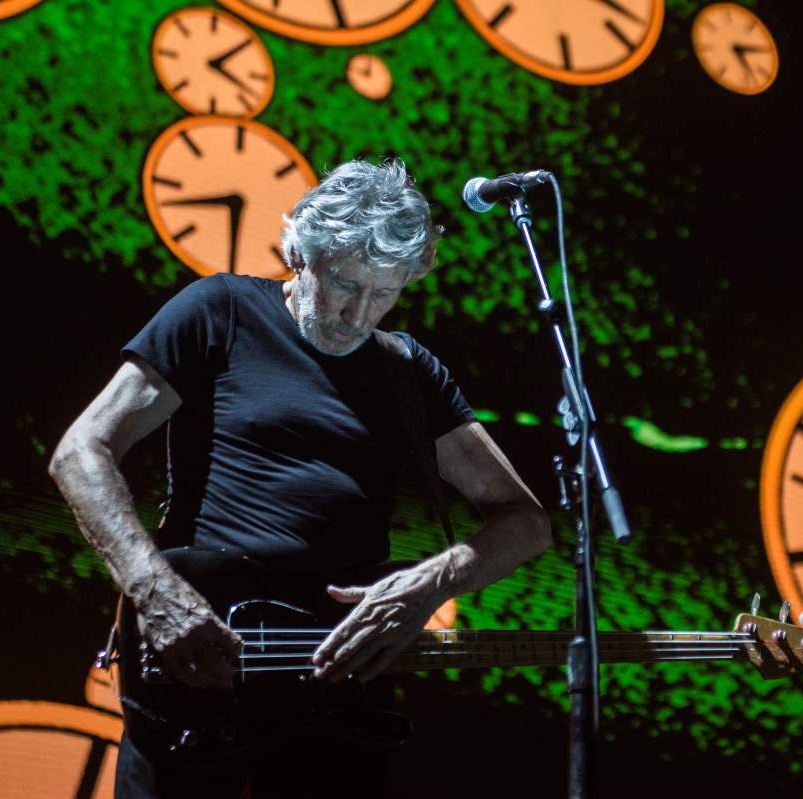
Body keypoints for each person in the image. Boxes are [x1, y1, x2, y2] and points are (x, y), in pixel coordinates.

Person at [49, 160, 553, 797]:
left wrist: (432, 581)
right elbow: (82, 451)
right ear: (298, 254)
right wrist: (156, 592)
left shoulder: (410, 372)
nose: (357, 315)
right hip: (200, 664)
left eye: (385, 293)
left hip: (339, 692)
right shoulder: (222, 310)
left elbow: (526, 522)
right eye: (344, 283)